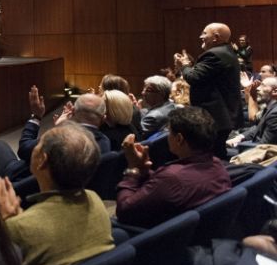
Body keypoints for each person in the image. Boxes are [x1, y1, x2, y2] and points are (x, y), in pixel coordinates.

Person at [0, 123, 114, 265]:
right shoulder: (94, 200)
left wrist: (3, 221)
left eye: (39, 143)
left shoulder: (17, 228)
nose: (35, 147)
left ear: (42, 160)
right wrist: (19, 219)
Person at [116, 106, 232, 228]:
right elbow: (165, 188)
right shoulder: (217, 164)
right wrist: (144, 170)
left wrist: (132, 170)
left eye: (169, 132)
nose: (168, 136)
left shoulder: (172, 178)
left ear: (179, 139)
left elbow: (124, 210)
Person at [0, 88, 111, 183]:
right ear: (103, 118)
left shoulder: (62, 135)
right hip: (69, 191)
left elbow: (25, 150)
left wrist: (37, 117)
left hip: (24, 181)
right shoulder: (105, 143)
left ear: (73, 111)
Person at [174, 22, 241, 158]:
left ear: (215, 37)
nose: (201, 36)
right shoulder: (226, 52)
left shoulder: (214, 55)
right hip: (223, 116)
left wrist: (184, 66)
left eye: (204, 33)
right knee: (217, 155)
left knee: (210, 158)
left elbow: (193, 77)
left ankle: (219, 179)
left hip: (215, 117)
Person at [227, 77, 277, 147]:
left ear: (275, 91)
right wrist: (239, 138)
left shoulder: (275, 113)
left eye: (263, 85)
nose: (258, 88)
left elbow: (264, 146)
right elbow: (258, 126)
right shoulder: (270, 108)